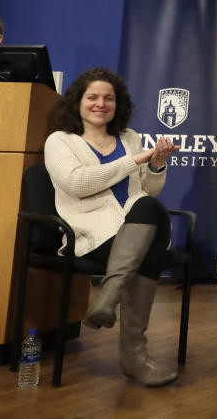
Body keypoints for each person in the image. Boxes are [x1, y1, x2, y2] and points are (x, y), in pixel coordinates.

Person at [43, 68, 180, 386]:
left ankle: (108, 297)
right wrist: (134, 160)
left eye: (109, 98)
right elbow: (78, 184)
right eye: (92, 97)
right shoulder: (60, 141)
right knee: (151, 248)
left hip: (132, 231)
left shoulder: (129, 138)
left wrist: (156, 163)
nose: (100, 103)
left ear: (118, 104)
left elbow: (148, 189)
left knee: (148, 205)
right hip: (91, 235)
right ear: (78, 102)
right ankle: (134, 357)